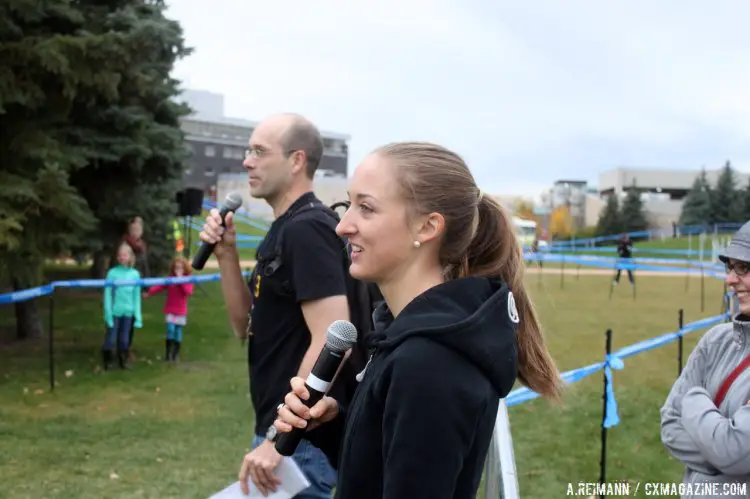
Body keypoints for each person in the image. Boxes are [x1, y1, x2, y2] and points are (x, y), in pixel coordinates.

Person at [269, 141, 564, 499]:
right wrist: (335, 427)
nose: (342, 226)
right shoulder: (408, 339)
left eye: (366, 208)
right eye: (349, 205)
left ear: (427, 228)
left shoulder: (429, 362)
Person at [198, 113, 351, 498]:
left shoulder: (307, 229)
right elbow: (242, 325)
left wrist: (279, 437)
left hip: (299, 443)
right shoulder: (283, 228)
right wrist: (227, 255)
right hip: (279, 433)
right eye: (249, 151)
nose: (247, 161)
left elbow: (331, 339)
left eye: (259, 151)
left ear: (296, 160)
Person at [660, 221, 750, 497]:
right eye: (729, 267)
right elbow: (670, 427)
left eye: (744, 268)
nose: (730, 279)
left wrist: (693, 398)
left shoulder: (694, 394)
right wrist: (723, 455)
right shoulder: (716, 341)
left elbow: (734, 452)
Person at [144, 256, 194, 362]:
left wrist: (180, 281)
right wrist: (149, 293)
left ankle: (175, 354)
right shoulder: (170, 278)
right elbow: (160, 286)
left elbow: (188, 292)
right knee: (170, 329)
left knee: (178, 331)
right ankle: (168, 354)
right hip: (171, 308)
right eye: (176, 268)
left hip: (181, 310)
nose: (178, 270)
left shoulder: (188, 279)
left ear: (184, 268)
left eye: (180, 268)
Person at [102, 242, 143, 370]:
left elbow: (136, 297)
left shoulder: (135, 274)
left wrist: (138, 316)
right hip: (115, 312)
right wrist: (108, 313)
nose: (122, 258)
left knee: (124, 341)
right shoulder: (112, 273)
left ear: (130, 257)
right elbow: (107, 295)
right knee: (111, 339)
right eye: (120, 255)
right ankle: (107, 362)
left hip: (128, 313)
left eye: (124, 255)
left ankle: (123, 361)